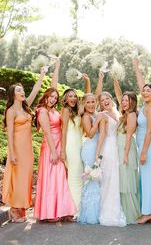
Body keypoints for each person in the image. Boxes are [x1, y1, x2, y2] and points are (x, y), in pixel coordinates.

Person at [2, 67, 47, 222]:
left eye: (22, 90)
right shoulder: (11, 111)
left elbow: (35, 90)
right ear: (13, 94)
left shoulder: (26, 106)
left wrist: (42, 75)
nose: (23, 92)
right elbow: (9, 134)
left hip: (27, 149)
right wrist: (12, 153)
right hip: (17, 150)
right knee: (18, 178)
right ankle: (14, 210)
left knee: (26, 178)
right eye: (19, 90)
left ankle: (21, 208)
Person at [34, 60, 76, 221]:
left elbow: (54, 85)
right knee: (51, 179)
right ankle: (49, 212)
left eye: (55, 97)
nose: (53, 99)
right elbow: (46, 132)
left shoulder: (54, 110)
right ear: (45, 96)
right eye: (50, 96)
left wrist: (57, 67)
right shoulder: (42, 111)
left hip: (59, 145)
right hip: (50, 147)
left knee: (60, 178)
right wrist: (53, 151)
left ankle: (63, 211)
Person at [96, 72, 126, 227]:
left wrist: (115, 80)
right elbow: (101, 135)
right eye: (102, 100)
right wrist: (97, 155)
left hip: (118, 148)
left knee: (116, 178)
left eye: (107, 98)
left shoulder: (118, 112)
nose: (105, 101)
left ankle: (115, 206)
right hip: (108, 148)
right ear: (100, 104)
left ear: (111, 100)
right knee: (108, 178)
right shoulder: (102, 115)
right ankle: (107, 210)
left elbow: (120, 96)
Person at [133, 58, 151, 224]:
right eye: (143, 91)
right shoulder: (144, 105)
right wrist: (136, 67)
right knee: (145, 178)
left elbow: (150, 131)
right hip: (143, 145)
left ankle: (149, 212)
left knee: (149, 179)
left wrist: (143, 152)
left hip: (149, 147)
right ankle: (148, 211)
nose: (145, 92)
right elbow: (141, 84)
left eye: (149, 91)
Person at [60, 74, 91, 216]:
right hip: (70, 146)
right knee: (74, 175)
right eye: (70, 96)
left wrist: (87, 81)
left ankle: (78, 206)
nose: (73, 98)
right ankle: (75, 209)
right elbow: (64, 131)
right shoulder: (65, 111)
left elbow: (88, 96)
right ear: (65, 99)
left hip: (79, 145)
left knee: (78, 175)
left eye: (74, 96)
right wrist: (62, 151)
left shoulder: (78, 111)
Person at [113, 78, 141, 224]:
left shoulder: (131, 115)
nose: (123, 102)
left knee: (126, 181)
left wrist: (125, 155)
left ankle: (130, 213)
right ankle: (122, 210)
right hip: (121, 148)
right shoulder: (124, 113)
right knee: (122, 180)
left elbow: (129, 136)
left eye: (126, 100)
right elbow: (118, 95)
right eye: (123, 100)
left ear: (132, 102)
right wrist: (115, 81)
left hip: (127, 149)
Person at [78, 93, 106, 224]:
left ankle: (98, 211)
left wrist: (99, 118)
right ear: (84, 104)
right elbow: (89, 134)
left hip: (97, 149)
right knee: (92, 180)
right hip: (90, 150)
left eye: (93, 101)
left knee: (97, 179)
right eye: (88, 102)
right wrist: (98, 120)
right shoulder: (86, 116)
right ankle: (90, 215)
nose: (91, 104)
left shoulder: (96, 114)